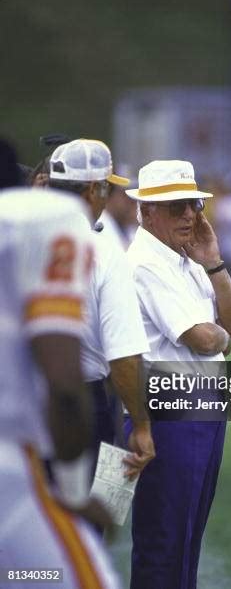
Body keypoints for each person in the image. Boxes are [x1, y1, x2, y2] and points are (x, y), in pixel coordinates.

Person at [0, 139, 122, 588]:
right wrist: (73, 492)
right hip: (27, 444)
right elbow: (68, 385)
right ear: (95, 191)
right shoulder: (56, 226)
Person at [124, 159, 231, 589]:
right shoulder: (145, 262)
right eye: (176, 206)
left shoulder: (188, 257)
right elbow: (202, 337)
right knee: (166, 541)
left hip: (200, 402)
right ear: (147, 212)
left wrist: (214, 263)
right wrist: (222, 340)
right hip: (171, 406)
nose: (190, 215)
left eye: (194, 204)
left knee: (186, 539)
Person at [48, 139, 155, 480]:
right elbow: (123, 355)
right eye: (108, 188)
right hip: (81, 403)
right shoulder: (103, 250)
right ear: (94, 189)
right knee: (89, 519)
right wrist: (140, 425)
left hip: (18, 398)